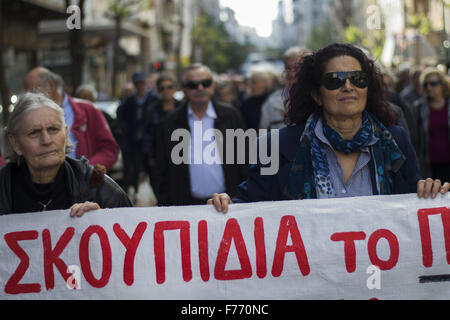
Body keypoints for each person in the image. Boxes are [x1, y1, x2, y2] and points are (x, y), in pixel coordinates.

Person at [208, 43, 449, 213]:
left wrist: (428, 192)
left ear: (368, 87)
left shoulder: (396, 140)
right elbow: (248, 207)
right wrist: (225, 205)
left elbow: (410, 205)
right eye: (334, 80)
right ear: (316, 94)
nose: (348, 87)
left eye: (358, 79)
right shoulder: (276, 146)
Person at [0, 92, 132, 216]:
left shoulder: (99, 189)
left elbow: (132, 232)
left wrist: (103, 220)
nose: (46, 140)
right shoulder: (4, 188)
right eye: (34, 132)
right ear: (15, 143)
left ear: (66, 133)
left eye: (53, 129)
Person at [154, 63, 248, 206]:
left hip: (228, 206)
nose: (200, 88)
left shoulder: (231, 116)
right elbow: (160, 170)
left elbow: (245, 161)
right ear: (183, 88)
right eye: (193, 84)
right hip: (185, 209)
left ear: (212, 85)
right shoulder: (168, 123)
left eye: (205, 83)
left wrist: (239, 199)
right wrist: (169, 204)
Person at [24, 67, 119, 172]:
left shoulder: (88, 110)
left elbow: (109, 150)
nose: (29, 97)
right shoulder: (27, 116)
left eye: (33, 91)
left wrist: (87, 171)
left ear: (51, 85)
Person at [116, 71, 158, 194]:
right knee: (132, 169)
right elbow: (121, 119)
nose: (140, 86)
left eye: (142, 83)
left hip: (150, 142)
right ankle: (133, 191)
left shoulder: (153, 99)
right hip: (133, 142)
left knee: (151, 168)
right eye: (137, 83)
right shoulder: (129, 101)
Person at [411, 67, 450, 182]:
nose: (429, 87)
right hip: (428, 165)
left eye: (433, 84)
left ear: (442, 85)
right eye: (426, 84)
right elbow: (415, 139)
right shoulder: (418, 108)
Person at [259, 46, 311, 130]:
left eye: (297, 68)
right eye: (288, 67)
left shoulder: (320, 99)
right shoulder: (271, 104)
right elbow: (263, 138)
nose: (292, 73)